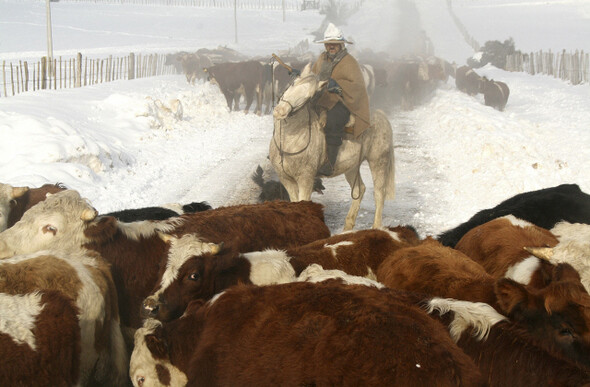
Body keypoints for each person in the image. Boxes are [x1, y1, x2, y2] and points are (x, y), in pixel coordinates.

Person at [311, 23, 370, 177]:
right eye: (329, 43)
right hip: (321, 99)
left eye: (335, 44)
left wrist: (337, 85)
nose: (331, 46)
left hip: (343, 103)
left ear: (341, 44)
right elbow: (314, 75)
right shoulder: (322, 58)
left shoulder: (349, 61)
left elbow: (357, 86)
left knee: (332, 121)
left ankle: (329, 163)